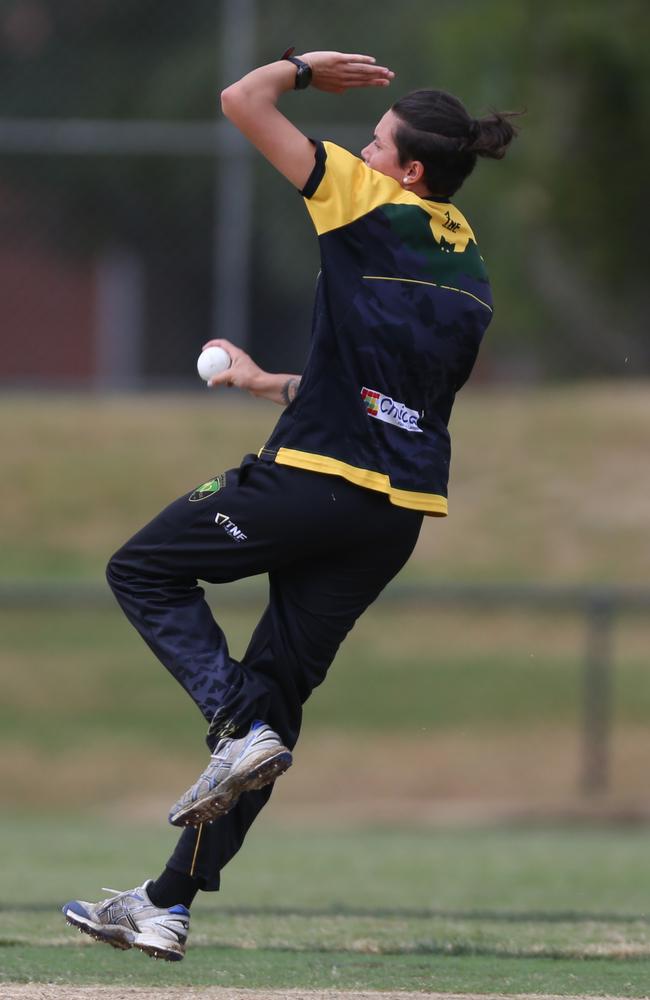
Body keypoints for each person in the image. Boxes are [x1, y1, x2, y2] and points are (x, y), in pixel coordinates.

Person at [62, 48, 518, 961]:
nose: (361, 146)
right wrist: (265, 381)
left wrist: (305, 69)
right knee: (278, 700)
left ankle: (239, 725)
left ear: (409, 169)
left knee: (142, 568)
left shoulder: (365, 197)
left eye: (376, 141)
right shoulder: (466, 261)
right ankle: (167, 903)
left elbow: (240, 97)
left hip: (312, 483)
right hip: (391, 517)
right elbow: (383, 392)